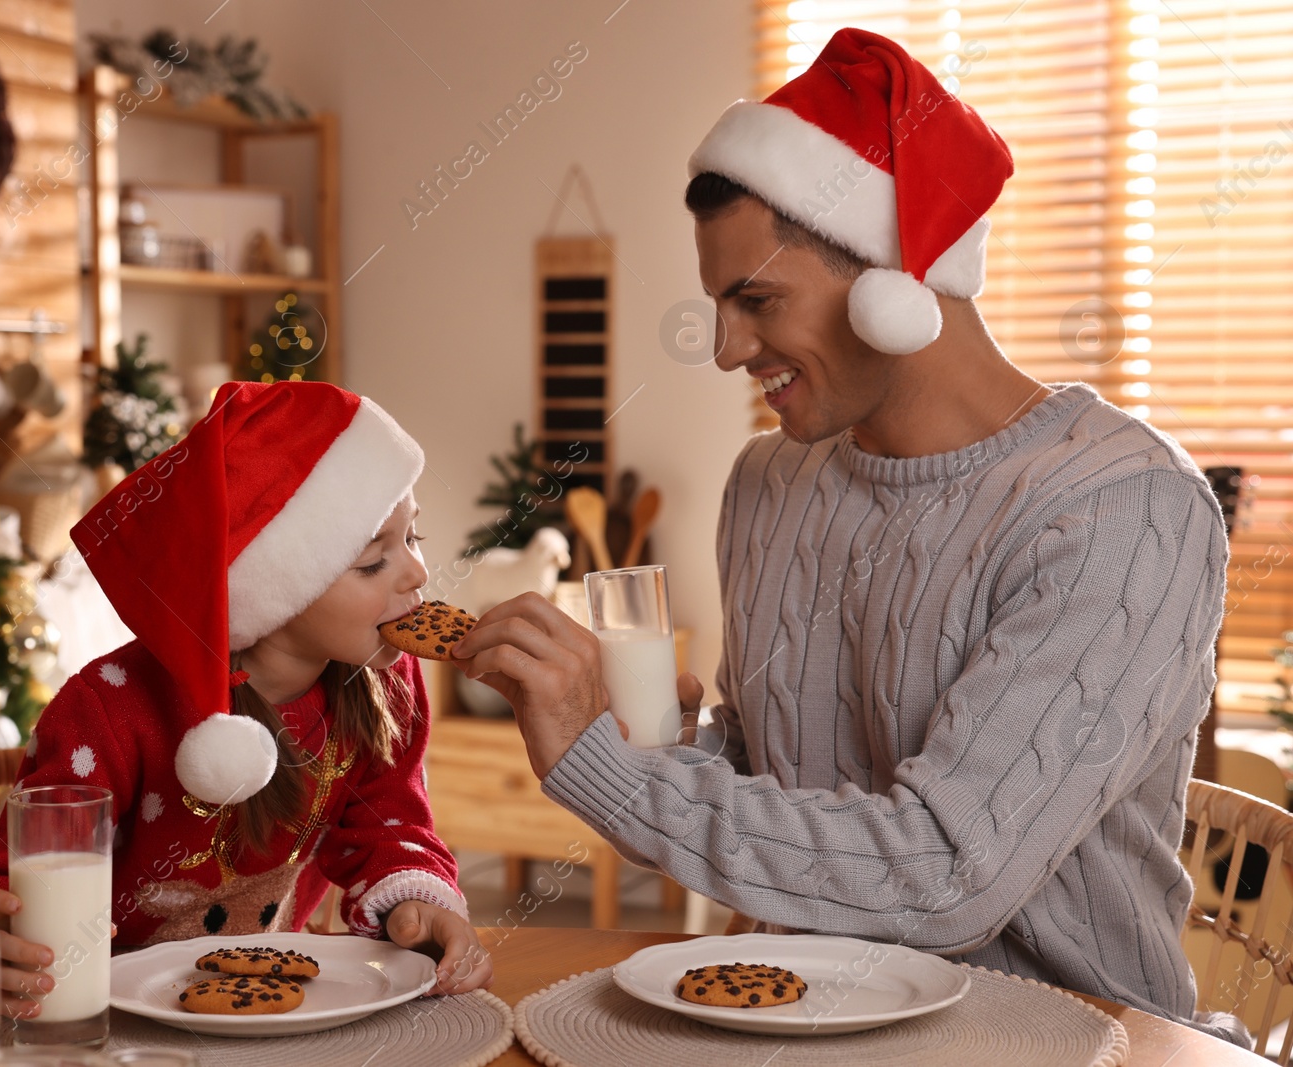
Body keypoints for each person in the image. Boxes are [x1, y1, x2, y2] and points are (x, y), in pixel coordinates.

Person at [449, 27, 1250, 1048]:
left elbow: (940, 875)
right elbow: (770, 781)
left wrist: (603, 767)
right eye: (718, 307)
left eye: (757, 301)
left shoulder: (1120, 512)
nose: (728, 348)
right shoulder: (770, 484)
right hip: (795, 1021)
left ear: (892, 279)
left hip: (1066, 1038)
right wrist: (647, 737)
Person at [0, 380, 492, 1020]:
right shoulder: (107, 708)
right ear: (273, 594)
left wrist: (420, 904)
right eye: (371, 562)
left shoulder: (386, 680)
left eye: (414, 538)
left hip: (279, 1013)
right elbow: (25, 871)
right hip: (112, 1017)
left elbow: (392, 829)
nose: (417, 573)